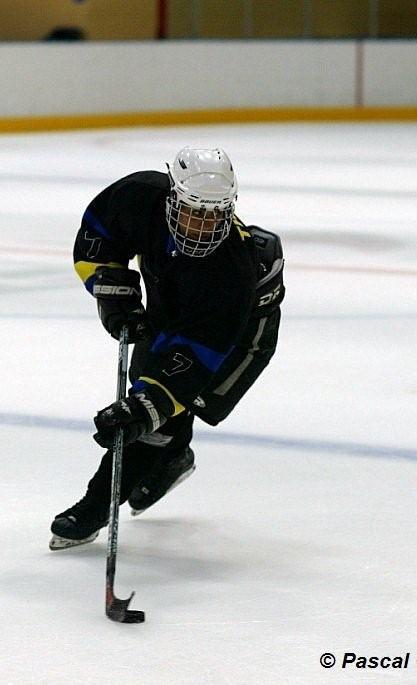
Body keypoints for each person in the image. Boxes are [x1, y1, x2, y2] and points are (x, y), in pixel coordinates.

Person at [49, 148, 285, 550]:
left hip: (240, 330)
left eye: (215, 215)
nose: (203, 226)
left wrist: (144, 413)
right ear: (172, 197)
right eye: (195, 211)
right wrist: (115, 298)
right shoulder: (139, 197)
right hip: (172, 295)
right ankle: (173, 458)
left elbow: (193, 362)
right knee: (149, 388)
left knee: (166, 407)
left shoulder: (231, 273)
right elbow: (98, 238)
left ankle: (94, 505)